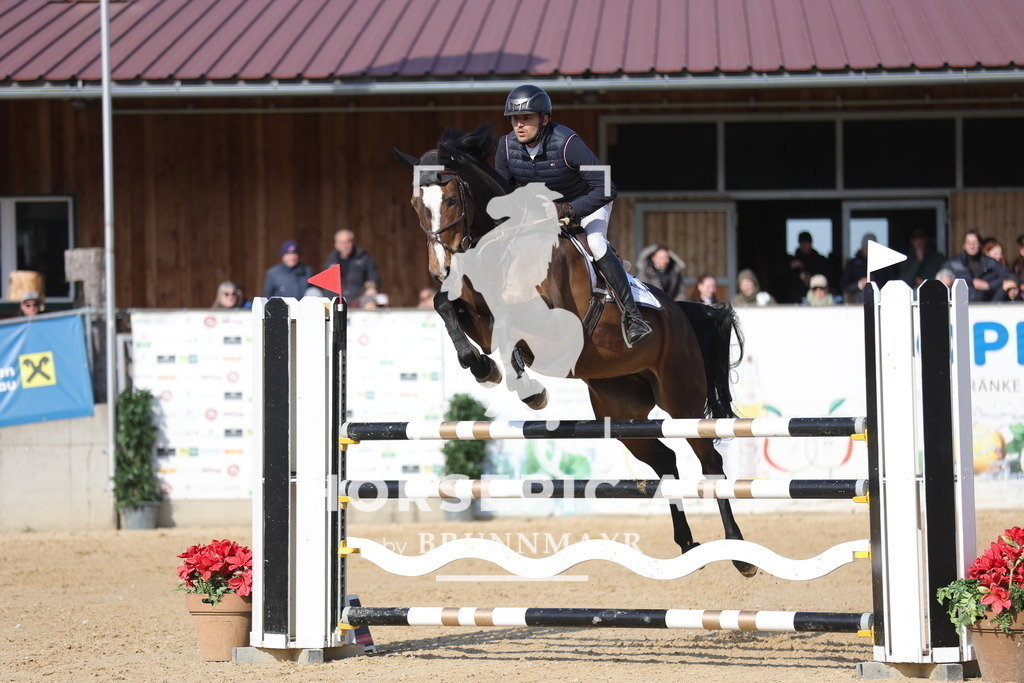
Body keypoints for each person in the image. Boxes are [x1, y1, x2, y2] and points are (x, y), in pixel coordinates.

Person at [494, 84, 652, 347]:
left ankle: (633, 317)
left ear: (545, 119)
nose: (519, 125)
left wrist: (570, 210)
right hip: (544, 213)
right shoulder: (507, 147)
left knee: (598, 245)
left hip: (587, 202)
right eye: (514, 119)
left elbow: (606, 187)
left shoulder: (567, 143)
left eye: (527, 118)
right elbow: (502, 191)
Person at [940, 230, 1015, 302]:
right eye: (968, 243)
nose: (971, 246)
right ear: (964, 245)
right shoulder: (953, 264)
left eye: (975, 243)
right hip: (961, 307)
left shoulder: (990, 263)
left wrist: (989, 286)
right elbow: (942, 282)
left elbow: (1009, 276)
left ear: (980, 244)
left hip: (986, 306)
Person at [322, 229, 381, 301]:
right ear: (336, 245)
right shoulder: (330, 261)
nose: (345, 245)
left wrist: (371, 288)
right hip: (335, 301)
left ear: (353, 242)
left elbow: (373, 277)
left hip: (358, 300)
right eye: (342, 242)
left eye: (348, 242)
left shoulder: (364, 258)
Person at [784, 231, 831, 304]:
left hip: (817, 301)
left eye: (806, 243)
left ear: (811, 243)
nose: (804, 245)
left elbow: (828, 276)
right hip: (796, 299)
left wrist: (813, 278)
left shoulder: (820, 260)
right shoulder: (793, 259)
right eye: (802, 243)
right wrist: (792, 265)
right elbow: (778, 272)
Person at [839, 233, 875, 305]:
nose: (868, 251)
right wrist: (859, 284)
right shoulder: (853, 264)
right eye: (866, 248)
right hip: (856, 304)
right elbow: (844, 286)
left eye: (871, 248)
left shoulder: (883, 264)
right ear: (862, 247)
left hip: (878, 302)